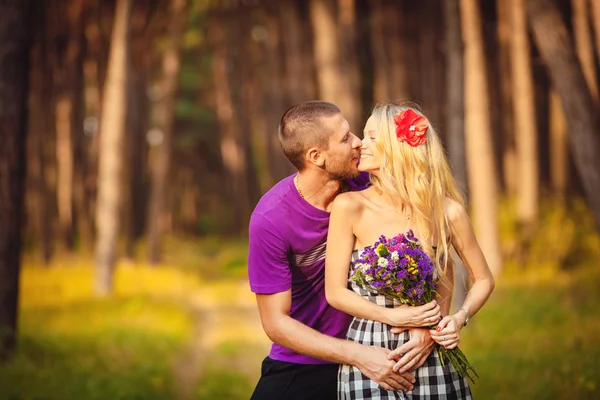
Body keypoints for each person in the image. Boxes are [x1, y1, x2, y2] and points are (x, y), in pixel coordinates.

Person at [247, 101, 439, 400]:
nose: (358, 143)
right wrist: (356, 354)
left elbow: (433, 252)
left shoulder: (366, 183)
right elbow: (275, 323)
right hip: (308, 362)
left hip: (384, 349)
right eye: (346, 138)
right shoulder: (270, 220)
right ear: (317, 156)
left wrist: (429, 325)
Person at [325, 102, 496, 399]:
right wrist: (392, 317)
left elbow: (483, 278)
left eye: (372, 137)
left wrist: (457, 319)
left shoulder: (447, 213)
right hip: (371, 351)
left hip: (429, 350)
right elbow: (335, 292)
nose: (361, 144)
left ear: (398, 148)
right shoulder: (349, 206)